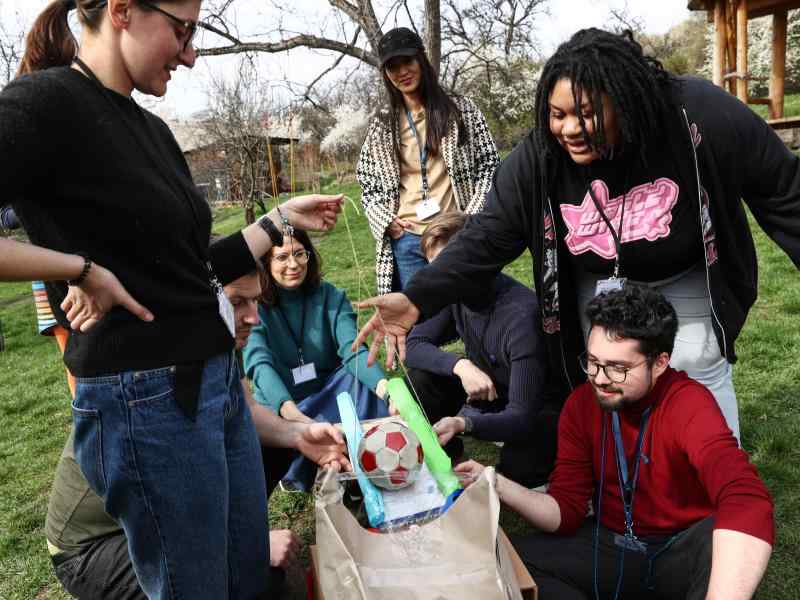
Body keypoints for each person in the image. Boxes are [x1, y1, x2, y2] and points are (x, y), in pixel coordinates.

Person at [0, 2, 342, 598]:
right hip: (146, 403)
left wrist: (278, 219)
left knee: (245, 578)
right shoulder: (45, 104)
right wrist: (76, 269)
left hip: (214, 386)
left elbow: (191, 271)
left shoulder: (151, 129)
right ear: (123, 11)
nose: (190, 54)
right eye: (181, 31)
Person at [354, 28, 800, 443]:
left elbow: (784, 192)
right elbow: (487, 235)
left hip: (679, 274)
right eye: (557, 114)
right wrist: (417, 298)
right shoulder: (540, 158)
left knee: (694, 362)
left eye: (586, 114)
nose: (569, 129)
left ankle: (720, 480)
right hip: (594, 279)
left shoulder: (696, 115)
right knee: (609, 378)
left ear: (626, 100)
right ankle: (633, 482)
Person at [45, 266, 349, 599]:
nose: (253, 318)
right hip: (94, 550)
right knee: (254, 577)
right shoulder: (160, 379)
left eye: (255, 301)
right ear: (197, 302)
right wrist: (247, 547)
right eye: (237, 303)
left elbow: (242, 413)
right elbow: (171, 505)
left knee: (275, 446)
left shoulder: (211, 344)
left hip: (166, 507)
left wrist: (298, 434)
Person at [456, 286, 774, 600]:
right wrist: (495, 483)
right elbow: (565, 512)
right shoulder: (582, 403)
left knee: (720, 536)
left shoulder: (689, 404)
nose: (600, 378)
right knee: (507, 561)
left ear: (660, 363)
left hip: (680, 549)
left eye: (618, 368)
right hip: (614, 544)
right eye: (593, 362)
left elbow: (746, 499)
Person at [402, 212, 551, 487]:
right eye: (434, 269)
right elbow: (412, 346)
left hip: (532, 407)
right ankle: (447, 457)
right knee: (419, 381)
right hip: (488, 393)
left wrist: (464, 423)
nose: (439, 279)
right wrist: (460, 366)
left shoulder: (520, 317)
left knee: (520, 474)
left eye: (446, 268)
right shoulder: (452, 291)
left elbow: (522, 415)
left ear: (477, 261)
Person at [244, 229, 390, 491]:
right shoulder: (254, 306)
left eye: (300, 254)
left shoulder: (331, 296)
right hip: (284, 403)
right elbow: (259, 364)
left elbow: (352, 350)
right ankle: (308, 467)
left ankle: (371, 453)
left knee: (360, 383)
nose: (293, 264)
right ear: (266, 263)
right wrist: (294, 415)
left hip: (327, 392)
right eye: (282, 257)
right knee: (276, 417)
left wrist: (387, 390)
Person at [357, 26, 499, 294]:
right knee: (419, 325)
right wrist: (385, 221)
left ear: (421, 59)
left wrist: (471, 217)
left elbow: (489, 166)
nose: (402, 72)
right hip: (407, 239)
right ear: (386, 74)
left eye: (407, 61)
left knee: (472, 318)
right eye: (392, 67)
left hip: (456, 234)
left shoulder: (461, 110)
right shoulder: (382, 124)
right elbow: (367, 182)